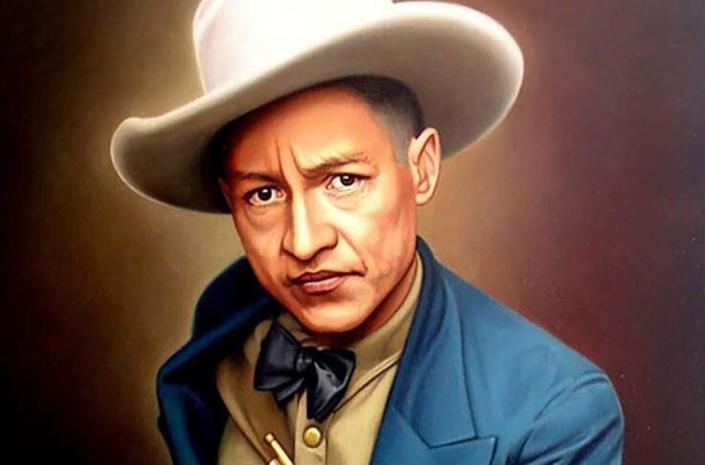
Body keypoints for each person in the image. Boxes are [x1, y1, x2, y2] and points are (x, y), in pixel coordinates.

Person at [110, 1, 625, 464]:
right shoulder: (216, 339)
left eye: (344, 181)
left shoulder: (554, 413)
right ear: (230, 200)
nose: (304, 242)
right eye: (263, 194)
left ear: (422, 168)